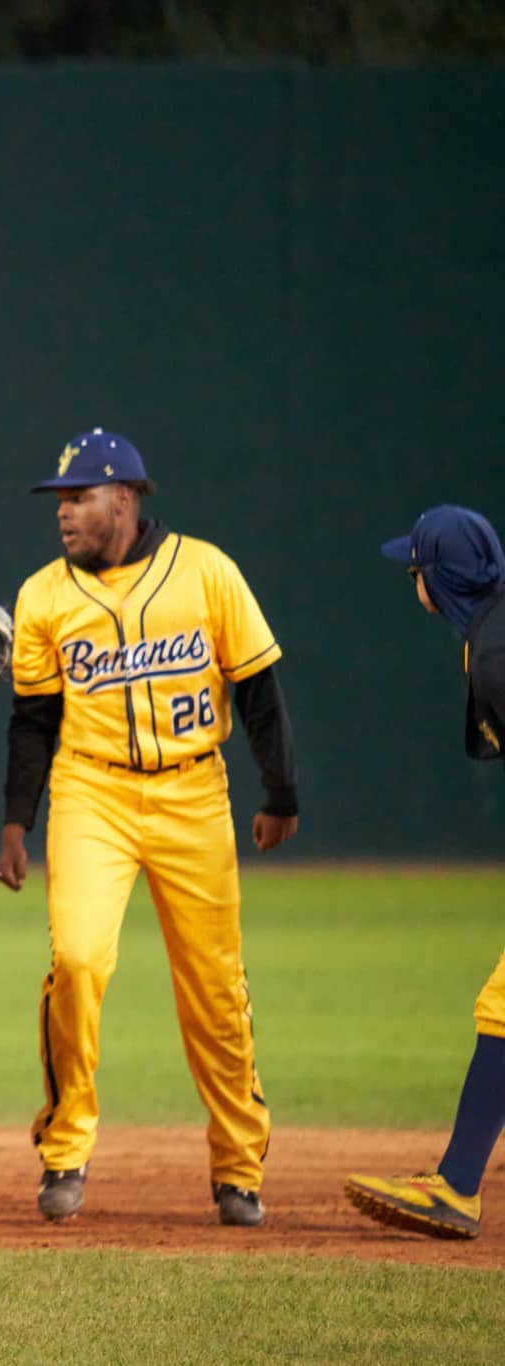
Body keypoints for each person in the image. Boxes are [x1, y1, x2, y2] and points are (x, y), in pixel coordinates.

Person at [0, 429, 299, 1228]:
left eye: (78, 498)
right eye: (58, 500)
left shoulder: (206, 571)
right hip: (91, 792)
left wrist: (281, 794)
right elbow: (33, 720)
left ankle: (238, 1169)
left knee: (214, 990)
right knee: (77, 960)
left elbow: (259, 689)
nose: (63, 513)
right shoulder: (43, 596)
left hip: (194, 793)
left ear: (124, 497)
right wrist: (16, 824)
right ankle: (65, 1147)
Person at [345, 506, 505, 1240]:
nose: (411, 579)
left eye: (415, 568)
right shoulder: (491, 634)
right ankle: (458, 1182)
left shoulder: (496, 652)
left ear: (435, 581)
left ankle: (456, 1188)